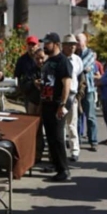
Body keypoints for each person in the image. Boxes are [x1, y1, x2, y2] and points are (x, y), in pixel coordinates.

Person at [38, 32, 73, 182]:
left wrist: (62, 104)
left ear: (56, 44)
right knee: (51, 138)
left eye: (48, 43)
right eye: (44, 43)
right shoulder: (48, 61)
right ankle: (56, 166)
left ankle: (64, 170)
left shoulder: (62, 61)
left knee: (58, 138)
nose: (44, 46)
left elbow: (66, 84)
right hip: (46, 103)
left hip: (57, 104)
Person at [19, 48, 47, 162]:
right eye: (37, 58)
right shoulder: (30, 71)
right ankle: (37, 153)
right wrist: (33, 83)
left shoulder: (49, 69)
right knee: (35, 129)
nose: (40, 61)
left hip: (47, 104)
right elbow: (23, 86)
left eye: (42, 58)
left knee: (50, 130)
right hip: (33, 102)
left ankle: (52, 155)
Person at [61, 34, 83, 162]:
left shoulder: (77, 60)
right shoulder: (59, 59)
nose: (73, 47)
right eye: (70, 44)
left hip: (73, 95)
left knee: (72, 124)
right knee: (61, 125)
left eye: (74, 44)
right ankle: (62, 150)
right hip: (61, 95)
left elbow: (80, 77)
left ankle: (75, 150)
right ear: (64, 46)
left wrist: (79, 95)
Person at [75, 33, 98, 152]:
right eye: (76, 40)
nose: (76, 42)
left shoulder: (90, 53)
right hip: (77, 89)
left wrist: (83, 68)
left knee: (90, 116)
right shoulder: (75, 54)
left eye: (79, 40)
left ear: (85, 41)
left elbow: (81, 66)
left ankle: (93, 141)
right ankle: (77, 140)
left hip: (88, 89)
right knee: (77, 116)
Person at [14, 35, 40, 114]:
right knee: (30, 116)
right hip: (28, 92)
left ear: (38, 46)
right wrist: (19, 89)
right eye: (29, 44)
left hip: (40, 92)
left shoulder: (42, 57)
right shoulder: (22, 60)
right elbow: (16, 75)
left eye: (33, 45)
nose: (31, 47)